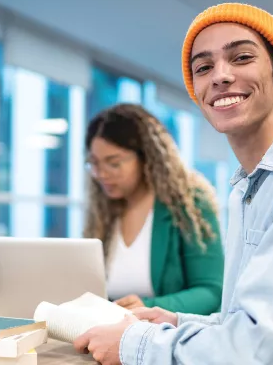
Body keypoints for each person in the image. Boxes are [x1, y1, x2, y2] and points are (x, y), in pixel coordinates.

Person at [73, 3, 273, 364]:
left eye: (242, 57)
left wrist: (135, 344)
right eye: (203, 67)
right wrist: (177, 321)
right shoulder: (248, 188)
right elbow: (244, 324)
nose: (220, 76)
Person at [84, 103, 224, 315]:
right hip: (111, 334)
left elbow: (212, 291)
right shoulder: (104, 210)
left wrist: (148, 307)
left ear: (147, 158)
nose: (101, 174)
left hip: (168, 338)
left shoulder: (190, 203)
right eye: (94, 163)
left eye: (114, 163)